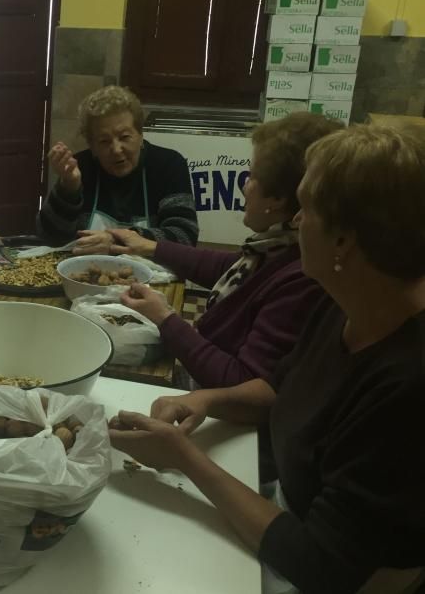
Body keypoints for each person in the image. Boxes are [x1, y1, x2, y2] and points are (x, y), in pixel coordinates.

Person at [109, 121, 425, 594]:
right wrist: (210, 401)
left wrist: (185, 458)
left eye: (308, 209)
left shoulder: (406, 386)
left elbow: (320, 563)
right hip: (287, 509)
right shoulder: (341, 301)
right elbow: (279, 380)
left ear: (344, 242)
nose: (296, 222)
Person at [95, 113, 342, 388]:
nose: (244, 187)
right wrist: (150, 246)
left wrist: (166, 319)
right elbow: (229, 266)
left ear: (278, 200)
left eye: (251, 176)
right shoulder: (276, 248)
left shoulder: (301, 278)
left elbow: (242, 382)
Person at [39, 85, 198, 247]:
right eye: (104, 141)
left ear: (140, 135)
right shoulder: (78, 168)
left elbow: (185, 237)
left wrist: (116, 240)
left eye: (124, 137)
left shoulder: (168, 165)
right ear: (92, 145)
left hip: (152, 270)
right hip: (86, 268)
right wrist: (68, 189)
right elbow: (49, 238)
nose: (116, 150)